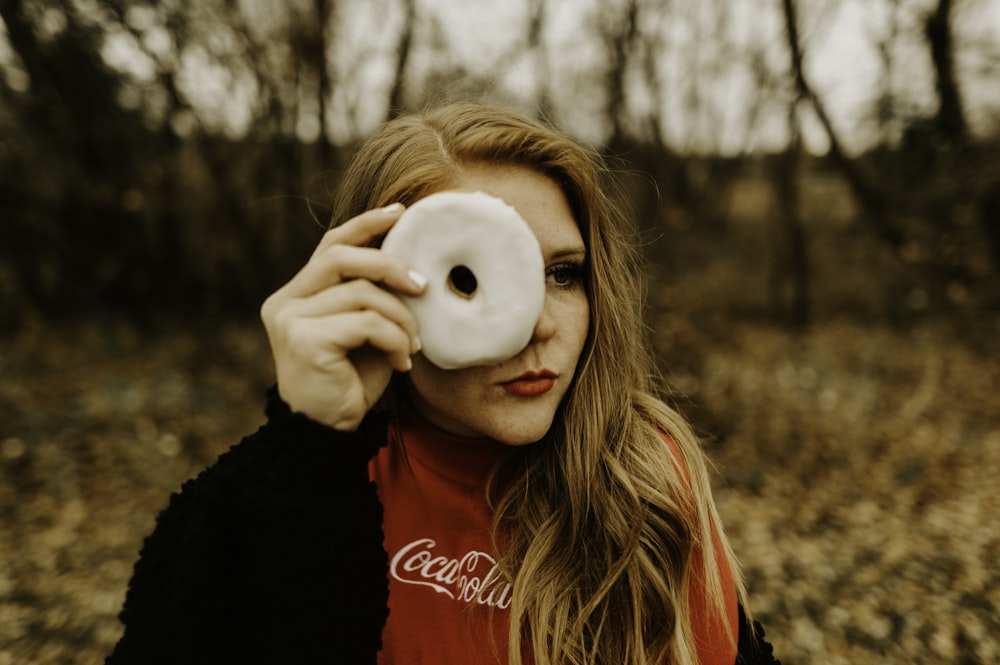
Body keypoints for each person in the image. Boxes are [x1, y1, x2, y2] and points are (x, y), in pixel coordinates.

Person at [106, 103, 780, 665]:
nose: (537, 326)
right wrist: (309, 446)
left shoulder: (645, 476)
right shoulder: (295, 488)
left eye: (565, 273)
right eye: (472, 279)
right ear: (375, 281)